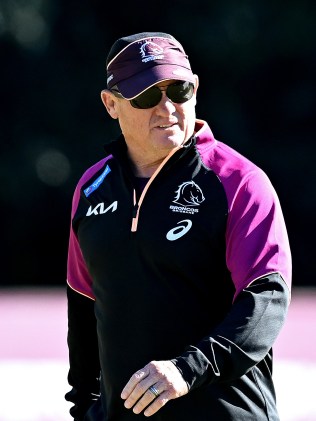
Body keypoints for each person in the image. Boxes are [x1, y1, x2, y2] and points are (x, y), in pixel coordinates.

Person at [65, 32, 292, 420]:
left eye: (179, 90)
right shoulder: (91, 188)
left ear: (196, 89)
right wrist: (84, 407)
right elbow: (84, 304)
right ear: (111, 104)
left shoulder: (239, 181)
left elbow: (267, 300)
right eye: (147, 96)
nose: (167, 108)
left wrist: (187, 369)